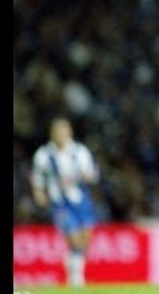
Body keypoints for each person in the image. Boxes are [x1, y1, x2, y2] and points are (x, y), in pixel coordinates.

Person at [30, 117, 100, 287]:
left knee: (86, 238)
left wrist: (88, 175)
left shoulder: (79, 151)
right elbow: (37, 178)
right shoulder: (44, 154)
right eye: (57, 131)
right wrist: (39, 194)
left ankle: (72, 264)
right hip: (60, 202)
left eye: (63, 130)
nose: (60, 134)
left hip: (81, 200)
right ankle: (76, 278)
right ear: (52, 134)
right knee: (74, 239)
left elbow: (92, 174)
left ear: (69, 132)